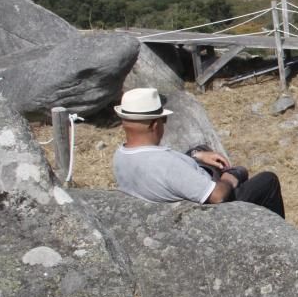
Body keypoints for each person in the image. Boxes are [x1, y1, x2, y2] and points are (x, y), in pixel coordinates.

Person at [112, 87, 285, 218]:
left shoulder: (120, 155)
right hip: (210, 213)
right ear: (155, 125)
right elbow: (217, 197)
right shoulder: (166, 164)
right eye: (163, 119)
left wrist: (196, 156)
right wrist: (229, 179)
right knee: (267, 181)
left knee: (200, 150)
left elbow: (165, 174)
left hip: (170, 198)